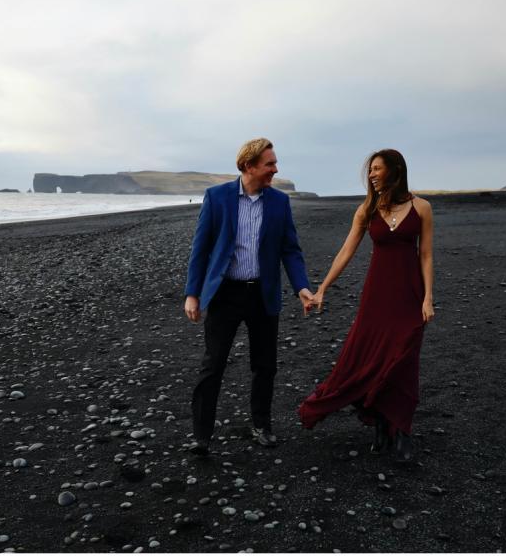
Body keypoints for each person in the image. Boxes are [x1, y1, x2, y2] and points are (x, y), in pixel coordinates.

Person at [297, 149, 434, 464]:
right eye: (370, 170)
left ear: (395, 170)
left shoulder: (422, 208)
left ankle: (402, 432)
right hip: (377, 296)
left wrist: (428, 297)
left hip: (410, 295)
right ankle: (381, 425)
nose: (370, 175)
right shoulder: (367, 210)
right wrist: (322, 289)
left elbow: (425, 255)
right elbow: (346, 251)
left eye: (376, 169)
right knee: (369, 357)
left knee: (404, 359)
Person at [184, 138, 314, 457]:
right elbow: (200, 249)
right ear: (248, 166)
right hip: (225, 294)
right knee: (213, 365)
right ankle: (201, 435)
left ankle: (261, 425)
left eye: (274, 162)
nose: (275, 169)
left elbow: (290, 250)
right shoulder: (217, 198)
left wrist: (302, 288)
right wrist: (192, 293)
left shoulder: (279, 203)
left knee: (265, 365)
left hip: (262, 294)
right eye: (269, 164)